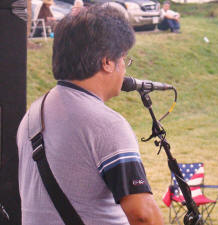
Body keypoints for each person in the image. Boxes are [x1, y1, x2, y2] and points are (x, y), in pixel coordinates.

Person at [17, 5, 164, 225]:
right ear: (106, 61)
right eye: (123, 58)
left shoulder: (32, 115)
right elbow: (143, 216)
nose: (125, 67)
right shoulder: (106, 124)